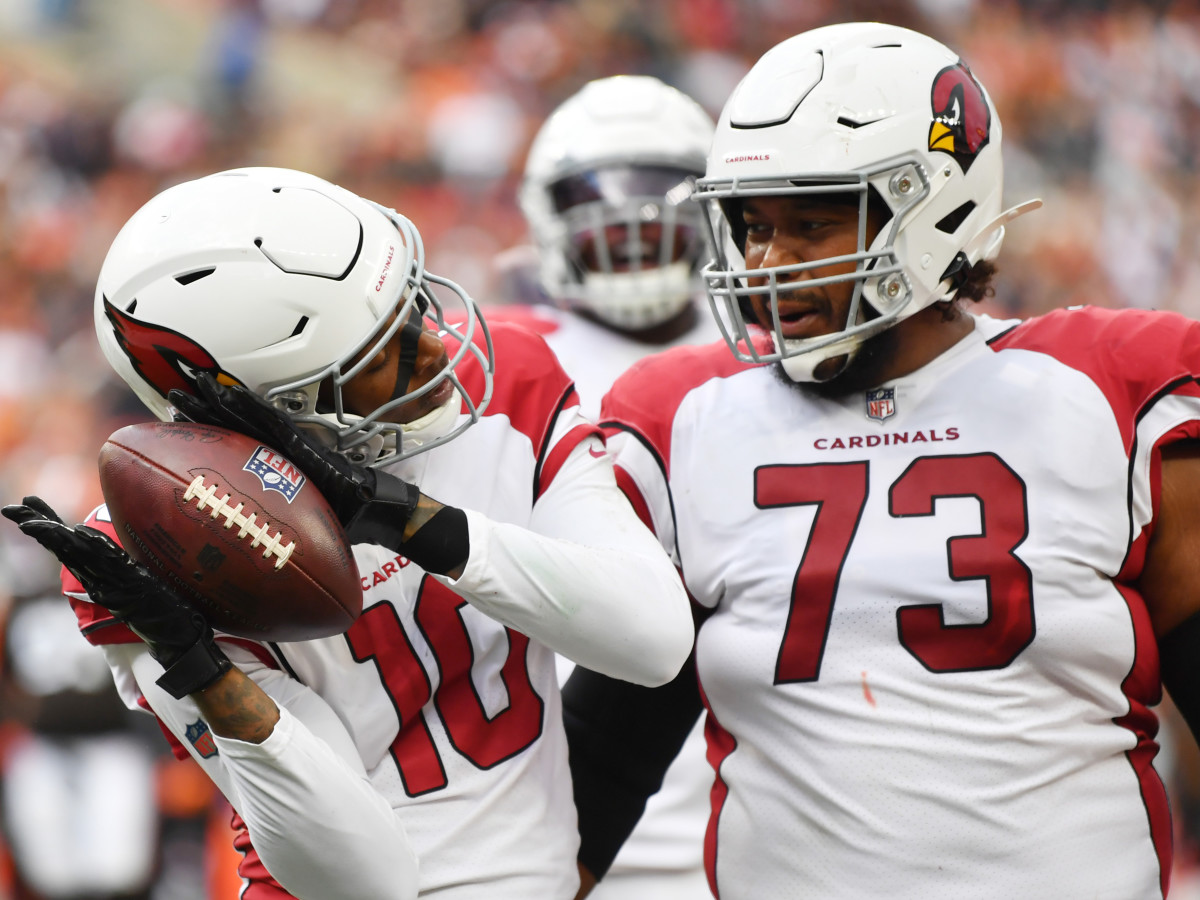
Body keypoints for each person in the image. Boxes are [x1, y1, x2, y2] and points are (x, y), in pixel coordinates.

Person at [563, 21, 1200, 900]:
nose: (766, 264)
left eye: (811, 223)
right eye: (753, 226)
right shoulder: (687, 420)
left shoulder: (1106, 394)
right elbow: (605, 757)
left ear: (938, 207)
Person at [2, 166, 695, 900]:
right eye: (382, 350)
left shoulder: (505, 380)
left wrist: (404, 518)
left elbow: (651, 642)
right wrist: (201, 671)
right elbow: (362, 880)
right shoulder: (162, 546)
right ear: (273, 402)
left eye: (411, 307)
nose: (434, 351)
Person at [505, 75, 720, 900]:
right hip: (547, 775)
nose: (632, 246)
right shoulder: (496, 355)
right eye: (607, 228)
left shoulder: (778, 349)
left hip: (737, 777)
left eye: (653, 224)